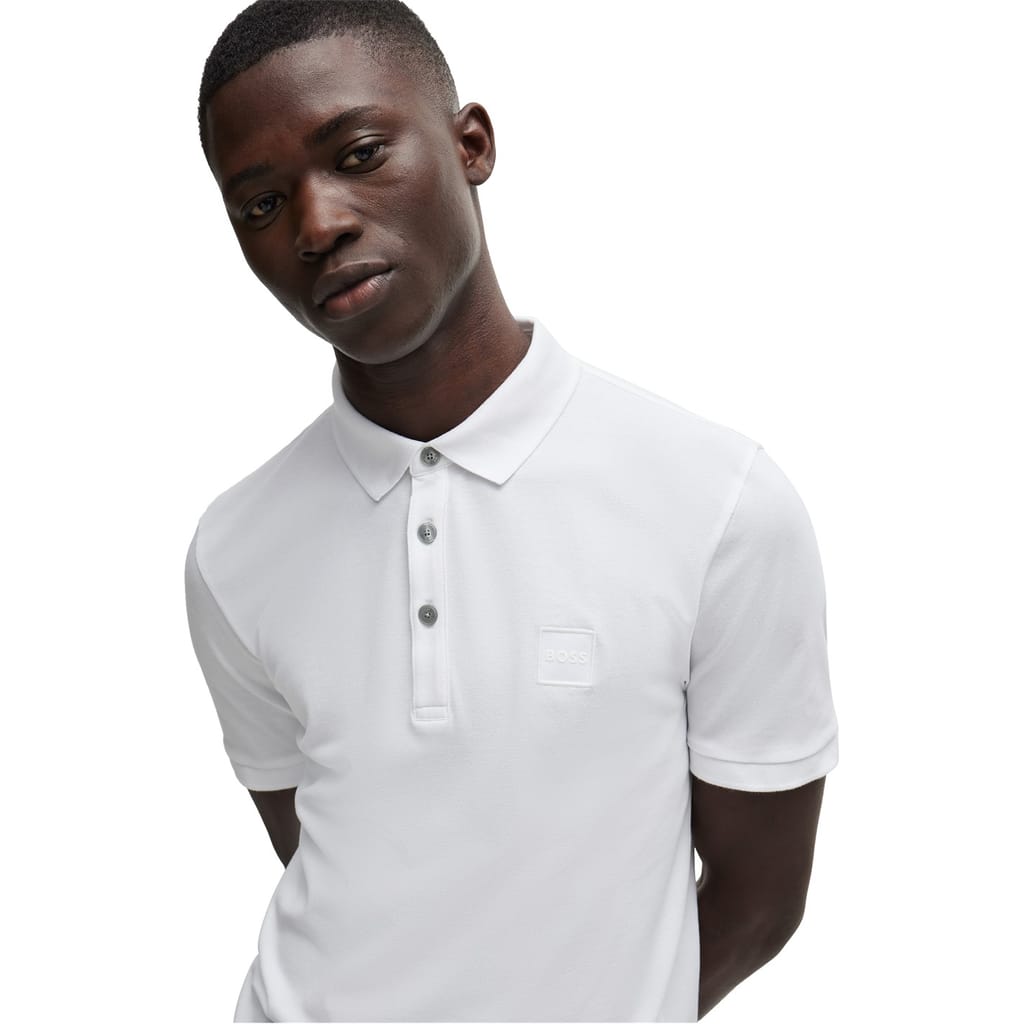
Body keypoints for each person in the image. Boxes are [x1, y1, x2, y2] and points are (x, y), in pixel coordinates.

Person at [183, 2, 839, 1021]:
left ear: (471, 145)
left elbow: (758, 903)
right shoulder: (233, 549)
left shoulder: (719, 503)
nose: (317, 225)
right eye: (261, 203)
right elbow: (336, 858)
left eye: (358, 154)